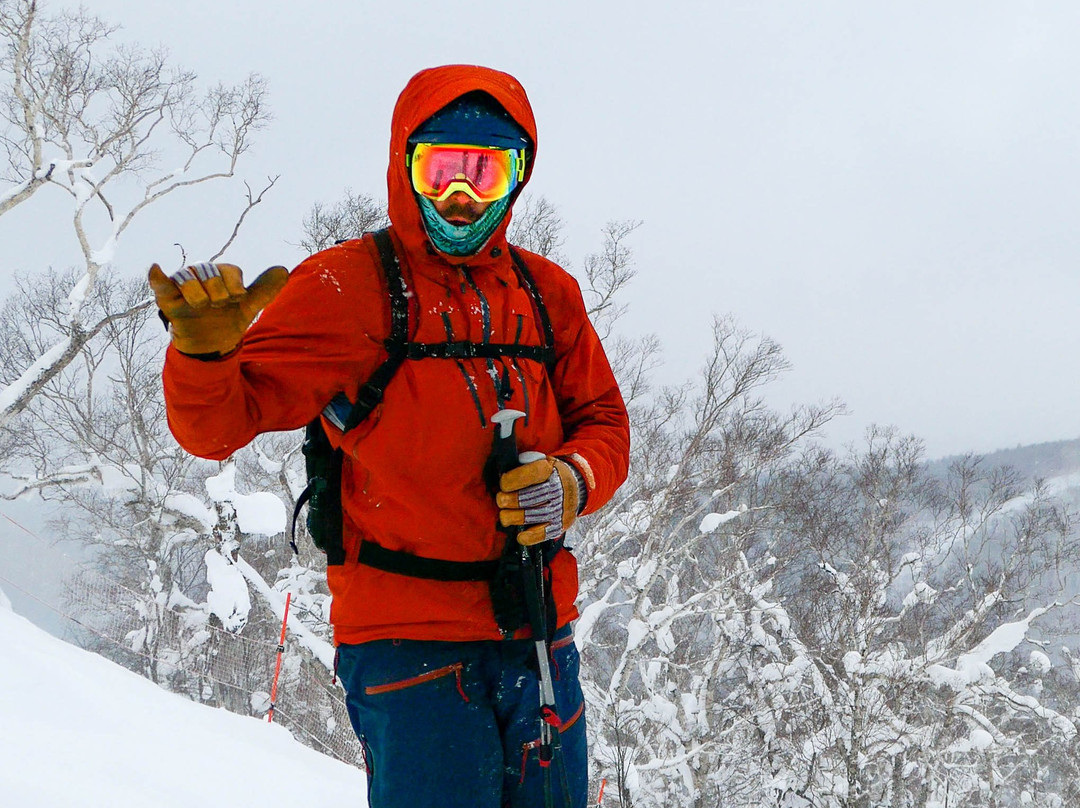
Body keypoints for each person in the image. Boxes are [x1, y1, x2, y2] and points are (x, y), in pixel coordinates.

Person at [150, 64, 630, 808]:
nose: (461, 196)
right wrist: (205, 357)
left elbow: (604, 420)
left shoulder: (547, 294)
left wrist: (572, 480)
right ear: (405, 165)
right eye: (441, 169)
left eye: (485, 171)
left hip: (537, 628)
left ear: (518, 177)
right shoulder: (348, 287)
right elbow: (216, 429)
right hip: (408, 643)